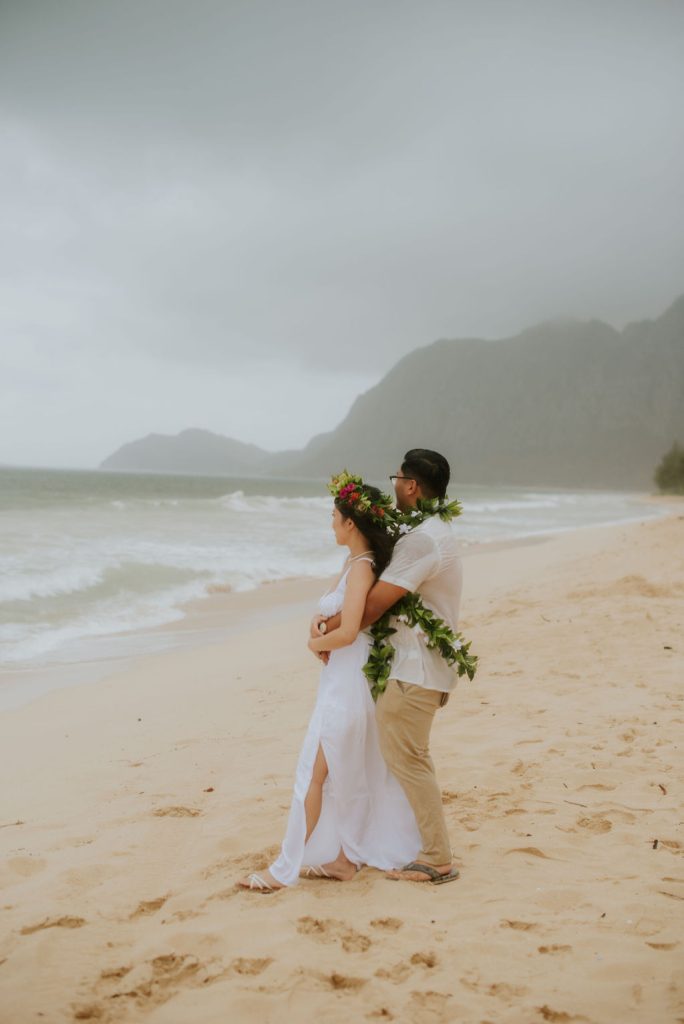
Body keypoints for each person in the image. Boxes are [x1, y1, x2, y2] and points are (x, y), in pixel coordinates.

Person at [237, 478, 421, 892]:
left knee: (313, 774)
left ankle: (283, 868)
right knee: (341, 774)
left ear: (351, 523)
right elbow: (332, 612)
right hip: (338, 681)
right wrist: (317, 624)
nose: (331, 524)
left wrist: (315, 643)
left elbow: (352, 629)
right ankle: (344, 860)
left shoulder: (362, 568)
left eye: (334, 517)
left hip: (348, 686)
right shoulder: (354, 564)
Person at [312, 450, 462, 884]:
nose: (394, 484)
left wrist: (327, 630)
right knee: (404, 757)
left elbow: (375, 605)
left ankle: (436, 858)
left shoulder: (422, 540)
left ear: (412, 485)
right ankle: (392, 846)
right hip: (417, 666)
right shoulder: (429, 532)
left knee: (409, 759)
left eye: (397, 478)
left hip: (416, 668)